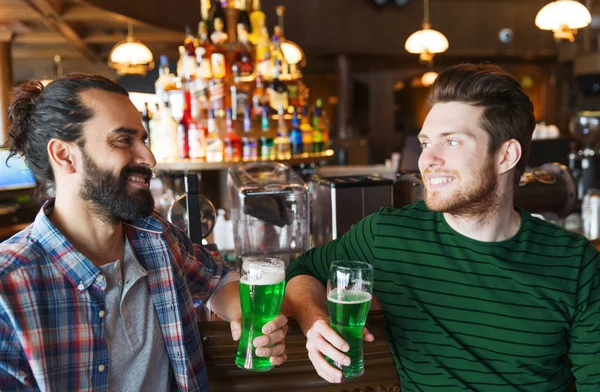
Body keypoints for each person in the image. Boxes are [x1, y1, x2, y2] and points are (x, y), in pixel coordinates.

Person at [284, 63, 600, 391]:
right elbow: (303, 271)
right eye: (425, 143)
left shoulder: (575, 264)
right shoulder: (389, 235)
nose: (427, 159)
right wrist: (314, 320)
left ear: (506, 156)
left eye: (450, 142)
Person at [0, 74, 288, 391]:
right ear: (64, 155)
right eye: (124, 141)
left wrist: (243, 315)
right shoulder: (9, 288)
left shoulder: (154, 236)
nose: (149, 158)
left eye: (144, 140)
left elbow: (216, 278)